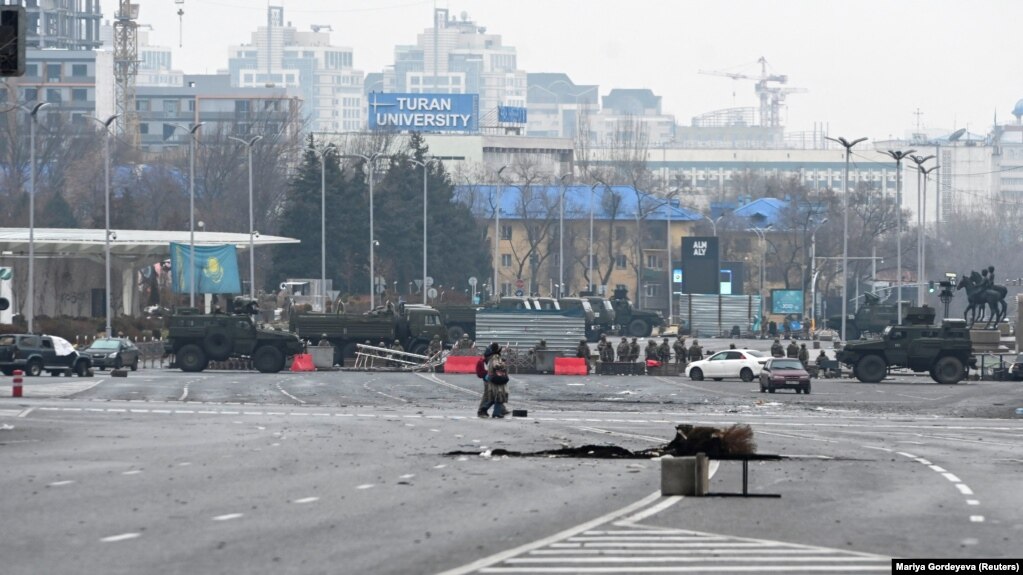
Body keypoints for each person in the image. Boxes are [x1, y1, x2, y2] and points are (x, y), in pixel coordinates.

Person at [478, 343, 509, 418]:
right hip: (496, 378)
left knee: (496, 397)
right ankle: (485, 410)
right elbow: (496, 366)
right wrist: (503, 364)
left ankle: (495, 412)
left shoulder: (491, 357)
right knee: (498, 396)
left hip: (493, 378)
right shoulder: (495, 357)